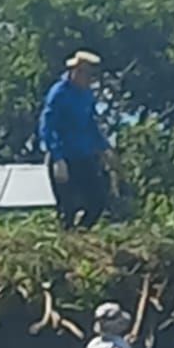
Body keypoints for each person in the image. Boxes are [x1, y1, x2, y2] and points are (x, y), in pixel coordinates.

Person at [39, 50, 111, 229]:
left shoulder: (86, 95)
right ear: (76, 71)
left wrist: (104, 149)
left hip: (84, 156)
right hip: (64, 158)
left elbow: (90, 125)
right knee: (67, 210)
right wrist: (58, 158)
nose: (89, 80)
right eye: (86, 74)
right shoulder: (59, 93)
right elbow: (47, 127)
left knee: (98, 202)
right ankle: (67, 239)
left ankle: (81, 236)